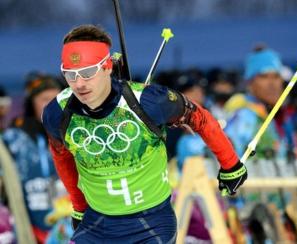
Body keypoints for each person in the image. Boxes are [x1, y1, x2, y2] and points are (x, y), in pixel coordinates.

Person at [41, 24, 247, 243]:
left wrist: (231, 166)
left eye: (88, 72)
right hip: (98, 223)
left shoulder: (149, 101)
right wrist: (79, 206)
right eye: (70, 75)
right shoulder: (57, 113)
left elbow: (200, 119)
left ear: (107, 66)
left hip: (151, 222)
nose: (79, 84)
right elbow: (62, 155)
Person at [2, 73, 63, 243]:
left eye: (57, 98)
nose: (52, 104)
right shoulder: (14, 137)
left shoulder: (78, 134)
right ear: (31, 104)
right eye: (44, 99)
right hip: (31, 229)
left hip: (72, 227)